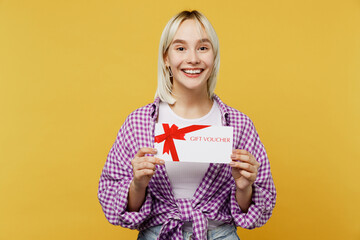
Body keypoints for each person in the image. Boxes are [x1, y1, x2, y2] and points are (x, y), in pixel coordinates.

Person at [98, 10, 276, 240]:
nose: (193, 58)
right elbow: (112, 204)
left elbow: (259, 210)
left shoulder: (239, 125)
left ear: (214, 55)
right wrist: (138, 184)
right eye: (180, 48)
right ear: (166, 57)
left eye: (203, 47)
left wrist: (244, 187)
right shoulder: (138, 123)